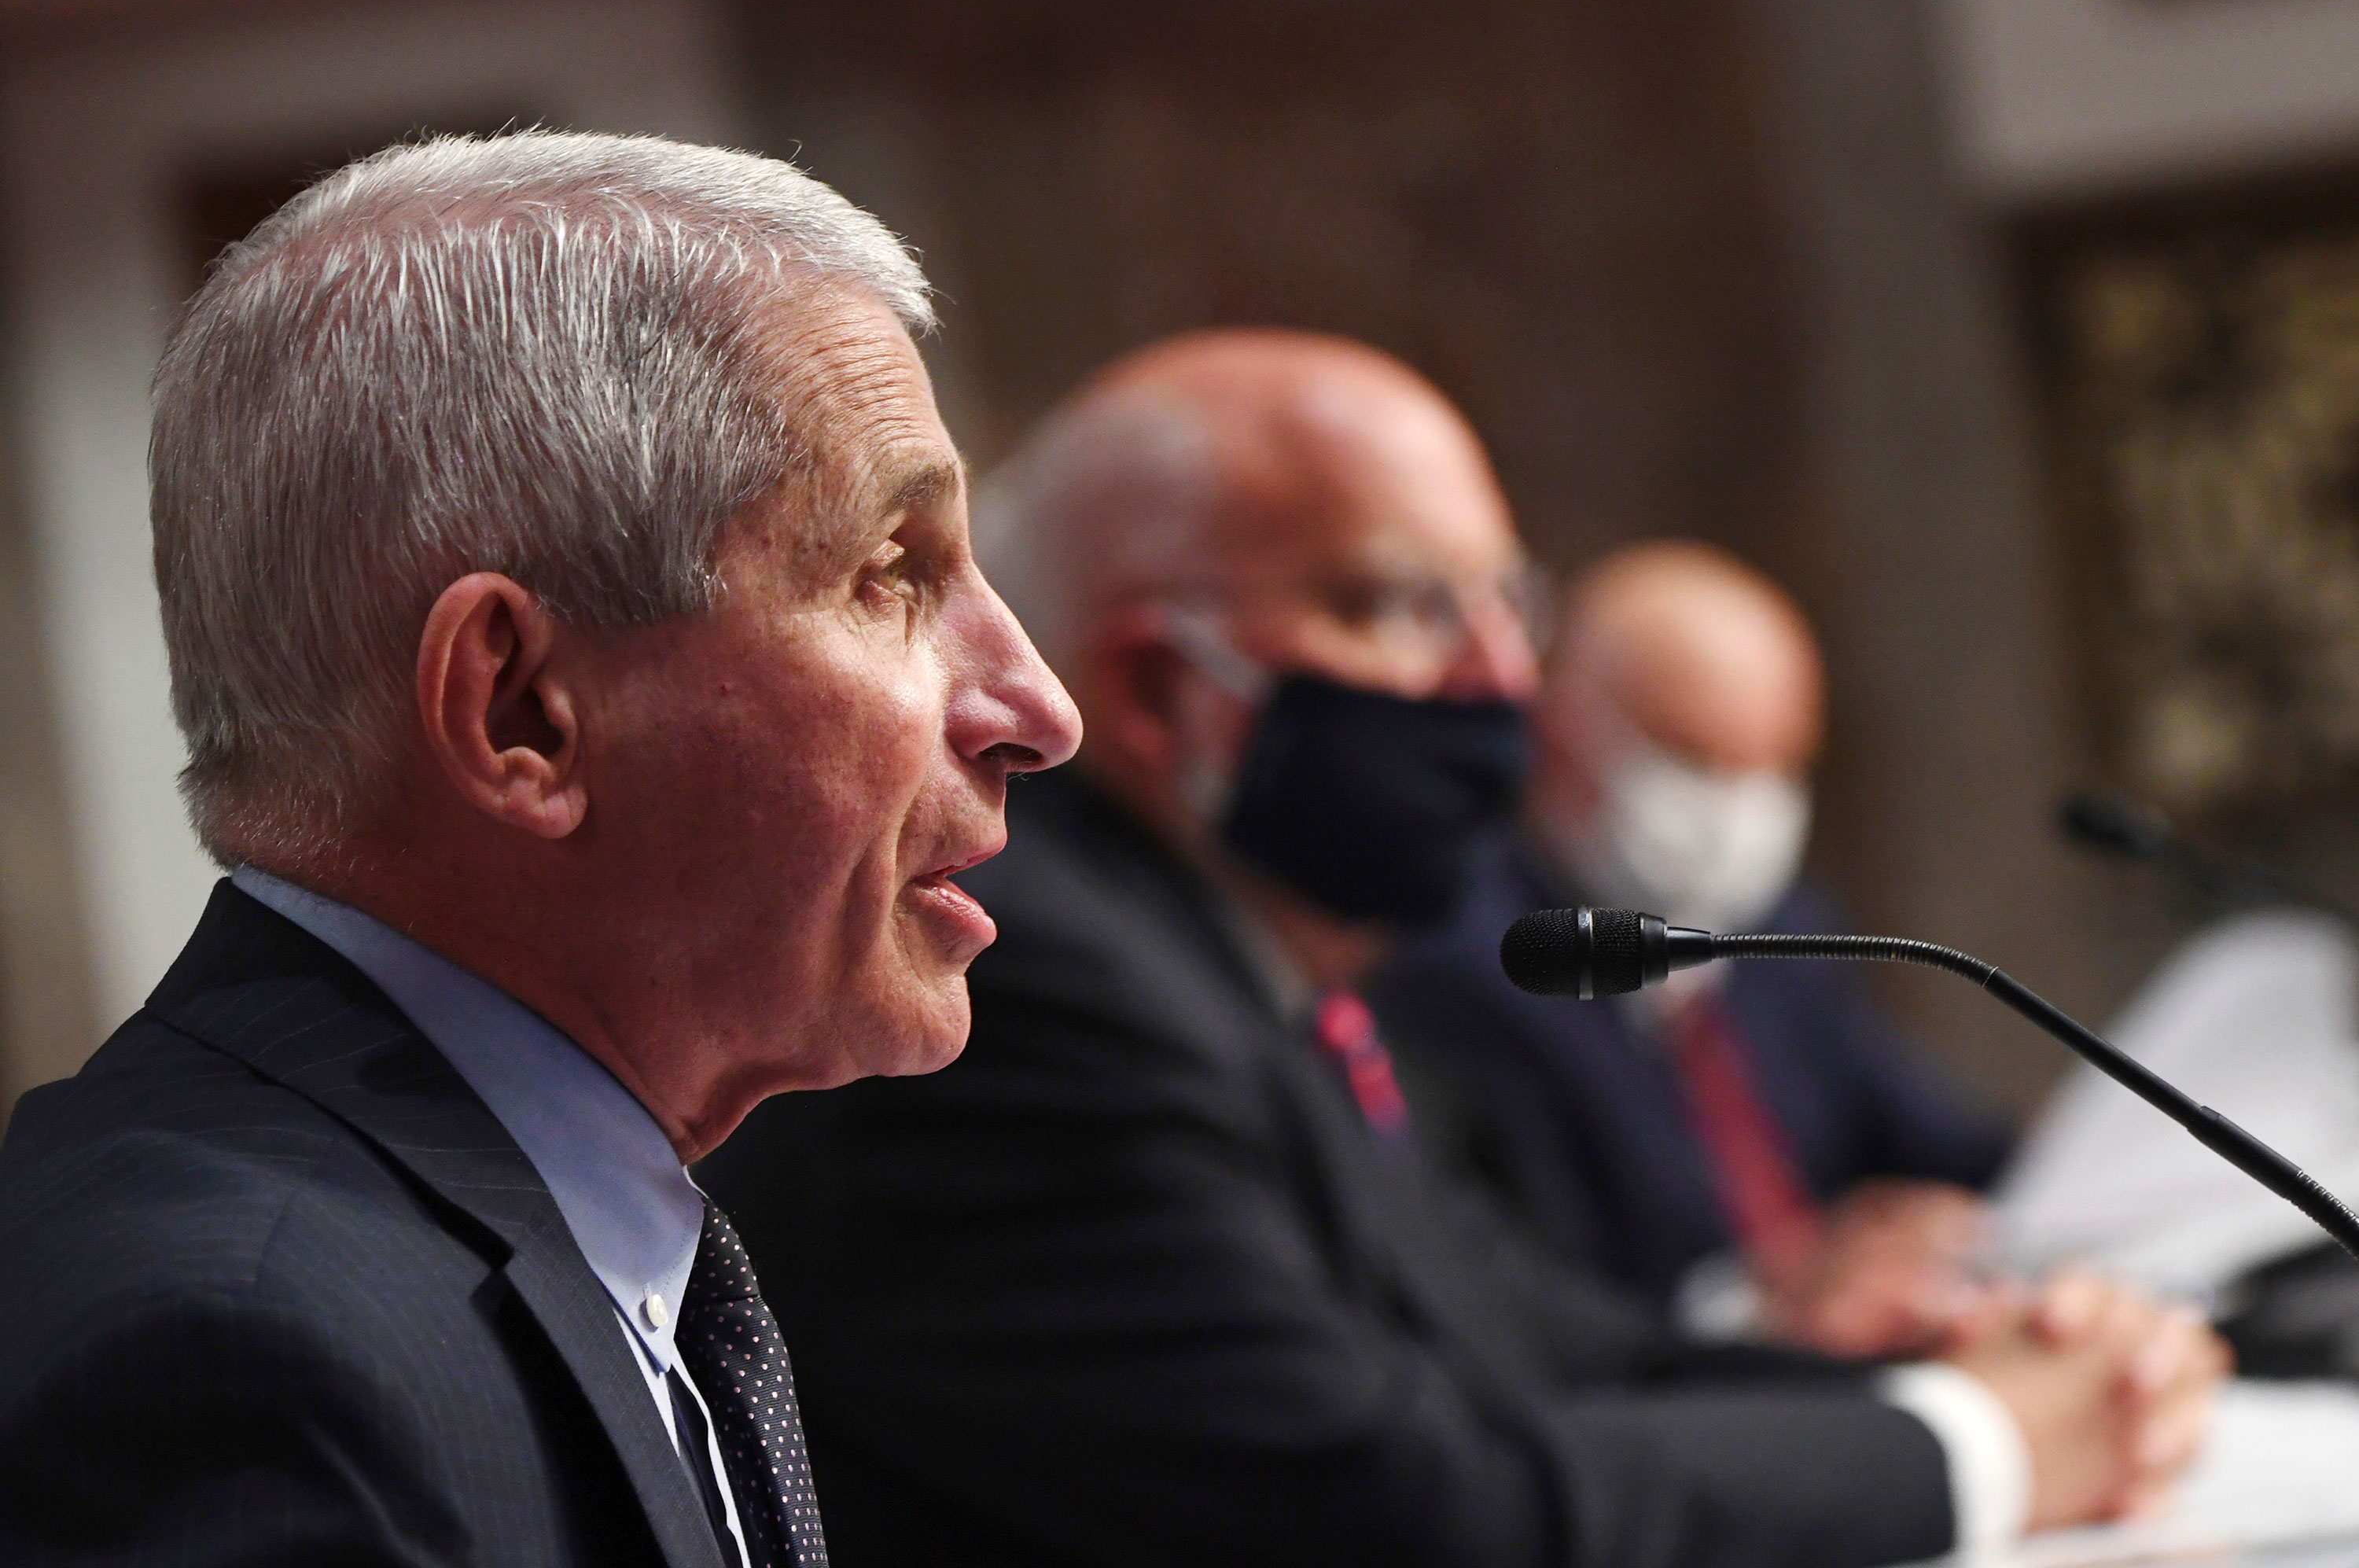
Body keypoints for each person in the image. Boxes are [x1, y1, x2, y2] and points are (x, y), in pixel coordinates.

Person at [698, 329, 2227, 1568]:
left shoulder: (1237, 967)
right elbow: (1414, 1513)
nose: (1506, 679)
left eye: (1509, 601)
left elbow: (1531, 1344)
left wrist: (1964, 1368)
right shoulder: (1032, 984)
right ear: (1161, 692)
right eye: (1403, 603)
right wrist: (1993, 1442)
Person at [0, 131, 1080, 1568]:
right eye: (893, 571)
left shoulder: (449, 1241)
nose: (1037, 709)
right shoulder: (251, 1362)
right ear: (522, 712)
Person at [1371, 543, 2016, 1358]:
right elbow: (1501, 1289)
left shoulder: (1787, 924)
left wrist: (1950, 1220)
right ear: (1565, 735)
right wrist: (1754, 1306)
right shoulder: (1461, 957)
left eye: (1778, 769)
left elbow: (1935, 1141)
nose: (1740, 815)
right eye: (1699, 763)